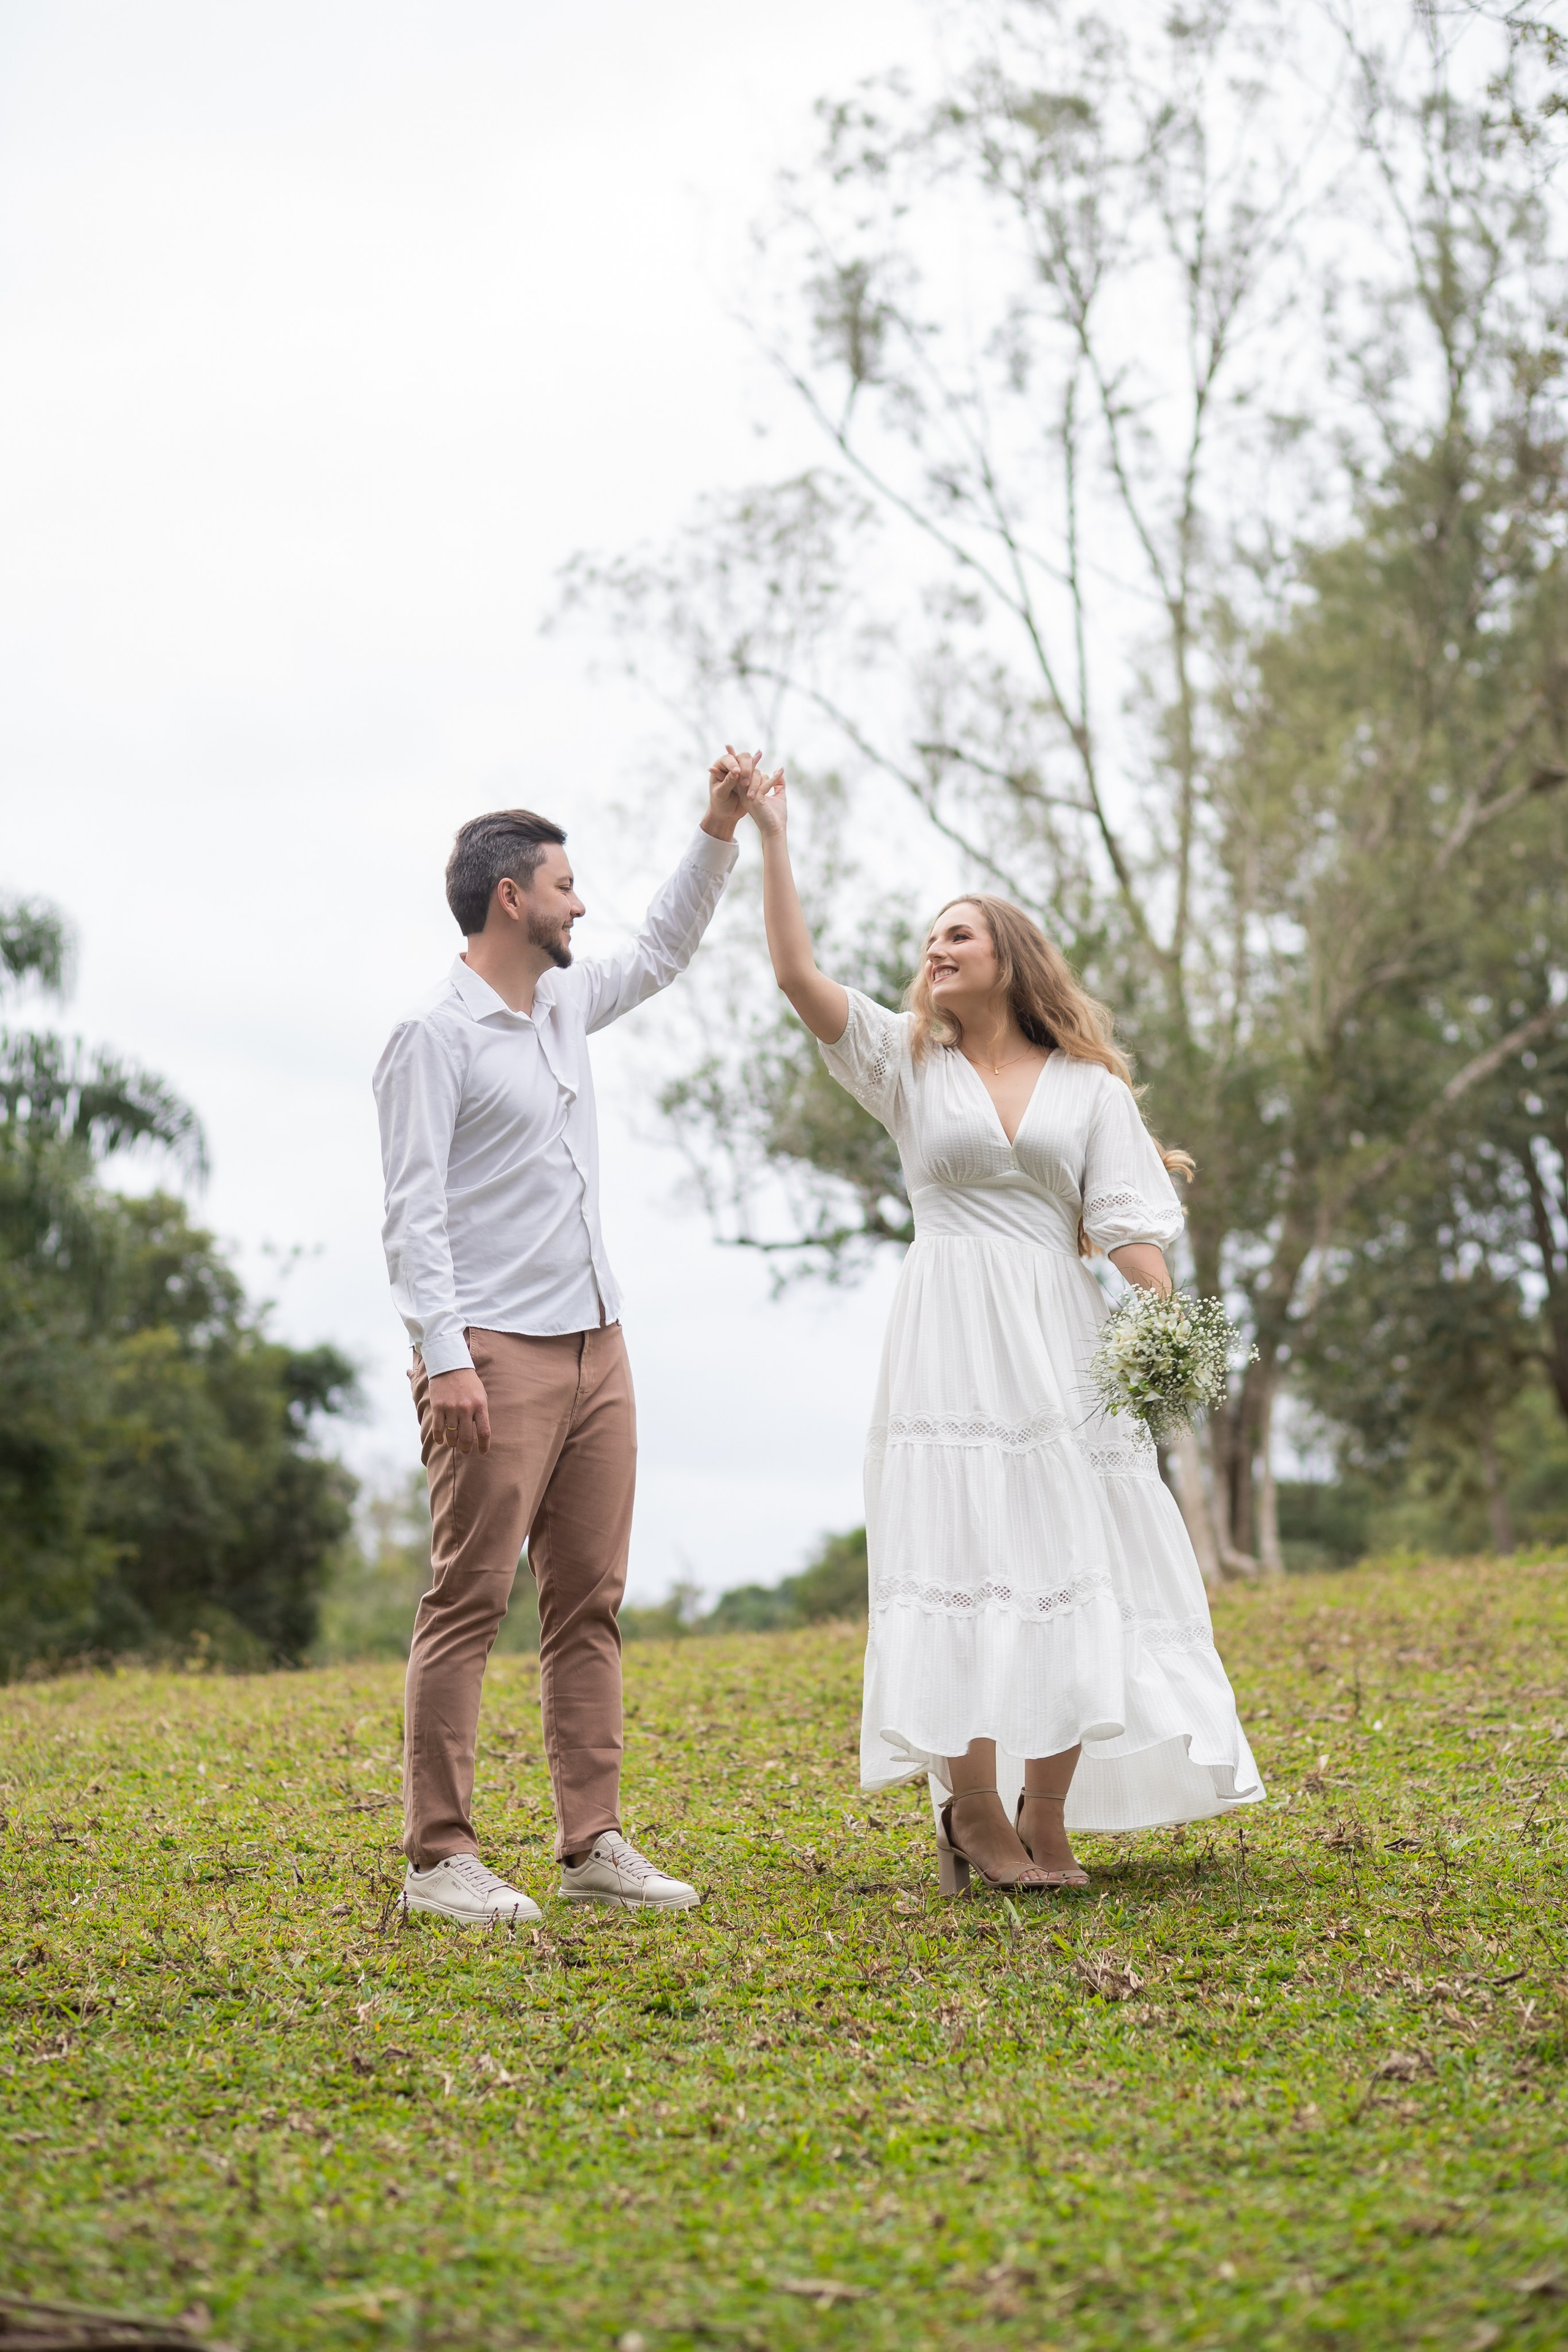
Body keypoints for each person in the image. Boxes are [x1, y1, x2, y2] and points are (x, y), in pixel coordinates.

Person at [726, 750, 1262, 1893]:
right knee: (961, 1549)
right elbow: (795, 972)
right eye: (930, 939)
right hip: (948, 1337)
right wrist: (772, 835)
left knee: (1075, 1550)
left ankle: (1047, 1812)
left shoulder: (1090, 1090)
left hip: (1061, 1340)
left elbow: (1133, 1236)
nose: (935, 950)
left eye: (957, 935)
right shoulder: (906, 1063)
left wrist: (1165, 1335)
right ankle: (972, 1814)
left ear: (1008, 958)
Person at [372, 763, 747, 1924]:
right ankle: (440, 1859)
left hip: (599, 1347)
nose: (582, 906)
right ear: (507, 899)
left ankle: (593, 1847)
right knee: (470, 1599)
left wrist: (719, 830)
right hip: (492, 1356)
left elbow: (669, 949)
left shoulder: (566, 1006)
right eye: (566, 887)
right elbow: (410, 1212)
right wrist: (444, 1357)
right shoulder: (431, 1037)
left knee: (588, 1602)